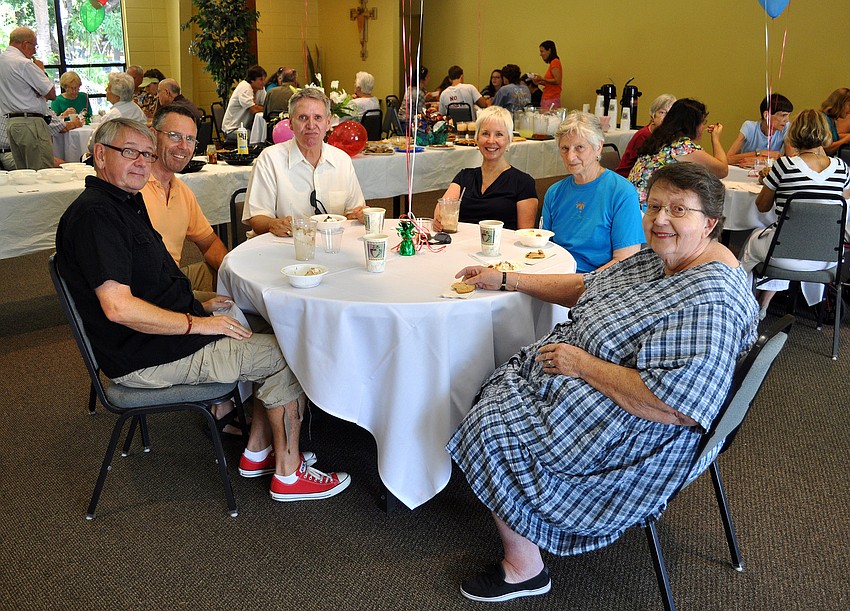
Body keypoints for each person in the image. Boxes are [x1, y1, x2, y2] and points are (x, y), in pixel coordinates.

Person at [448, 163, 758, 602]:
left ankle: (525, 569)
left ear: (709, 223)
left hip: (638, 430)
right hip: (586, 383)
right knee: (491, 384)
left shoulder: (711, 295)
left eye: (678, 210)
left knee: (491, 429)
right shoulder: (660, 257)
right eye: (653, 207)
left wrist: (582, 366)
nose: (660, 219)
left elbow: (677, 406)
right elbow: (588, 286)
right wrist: (505, 279)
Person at [55, 117, 350, 502]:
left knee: (265, 326)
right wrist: (198, 323)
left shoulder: (121, 202)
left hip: (151, 342)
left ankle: (258, 451)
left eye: (146, 154)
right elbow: (119, 307)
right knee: (289, 352)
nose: (142, 162)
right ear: (99, 155)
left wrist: (198, 302)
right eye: (130, 153)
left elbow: (151, 283)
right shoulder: (98, 216)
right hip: (146, 357)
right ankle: (290, 474)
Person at [740, 109, 850, 318]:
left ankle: (744, 309)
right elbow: (842, 202)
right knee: (783, 235)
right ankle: (764, 301)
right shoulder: (842, 168)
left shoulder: (784, 166)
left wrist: (771, 185)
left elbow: (762, 207)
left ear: (796, 133)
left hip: (784, 255)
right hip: (827, 257)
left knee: (757, 242)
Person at [243, 87, 367, 237]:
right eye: (303, 118)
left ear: (328, 123)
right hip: (283, 247)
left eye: (318, 118)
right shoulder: (270, 159)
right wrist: (273, 223)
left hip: (331, 246)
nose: (311, 125)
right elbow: (256, 218)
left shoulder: (342, 160)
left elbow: (353, 212)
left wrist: (358, 215)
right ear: (290, 123)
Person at [141, 105, 228, 299]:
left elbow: (210, 243)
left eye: (190, 139)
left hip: (174, 278)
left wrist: (232, 275)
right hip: (149, 294)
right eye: (174, 135)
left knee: (232, 282)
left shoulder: (181, 191)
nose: (183, 146)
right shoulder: (133, 187)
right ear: (153, 135)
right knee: (231, 305)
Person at [542, 111, 644, 273]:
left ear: (598, 147)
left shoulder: (622, 193)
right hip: (556, 276)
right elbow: (544, 248)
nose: (570, 157)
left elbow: (625, 260)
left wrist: (581, 283)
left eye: (579, 148)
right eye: (565, 148)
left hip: (600, 282)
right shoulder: (554, 193)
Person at [432, 106, 537, 232]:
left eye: (499, 134)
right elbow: (442, 208)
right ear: (476, 139)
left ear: (509, 140)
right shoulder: (464, 177)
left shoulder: (523, 183)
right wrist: (439, 219)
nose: (491, 140)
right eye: (485, 134)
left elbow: (525, 236)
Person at [629, 98, 728, 205]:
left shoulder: (658, 139)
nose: (703, 126)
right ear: (693, 125)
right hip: (647, 207)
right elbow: (722, 170)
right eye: (702, 122)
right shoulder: (681, 147)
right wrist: (716, 139)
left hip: (631, 202)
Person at [0, 27, 56, 170]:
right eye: (34, 46)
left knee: (24, 173)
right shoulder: (23, 63)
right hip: (30, 123)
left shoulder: (3, 60)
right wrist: (41, 71)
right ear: (25, 44)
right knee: (42, 170)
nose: (35, 51)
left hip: (12, 123)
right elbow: (51, 94)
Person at [615, 93, 676, 177]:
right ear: (652, 116)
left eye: (670, 114)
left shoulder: (668, 135)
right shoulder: (644, 135)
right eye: (662, 112)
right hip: (628, 178)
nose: (667, 117)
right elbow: (645, 166)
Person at [726, 94, 794, 165]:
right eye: (783, 115)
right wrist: (760, 154)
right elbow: (728, 159)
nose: (787, 120)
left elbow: (791, 160)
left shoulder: (786, 128)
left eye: (788, 116)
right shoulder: (749, 127)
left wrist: (761, 160)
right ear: (766, 115)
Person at [222, 65, 266, 144]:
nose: (264, 82)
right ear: (252, 80)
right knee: (258, 138)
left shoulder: (261, 89)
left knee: (264, 135)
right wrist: (264, 108)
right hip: (233, 129)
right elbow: (253, 109)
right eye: (261, 79)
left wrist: (263, 107)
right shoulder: (244, 87)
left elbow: (266, 104)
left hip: (246, 128)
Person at [532, 40, 562, 109]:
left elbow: (557, 80)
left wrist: (542, 78)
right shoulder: (553, 63)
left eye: (542, 51)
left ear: (549, 50)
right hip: (548, 98)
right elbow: (551, 83)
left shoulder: (555, 62)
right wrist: (539, 82)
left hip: (551, 98)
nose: (540, 54)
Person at [819, 88, 850, 155]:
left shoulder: (832, 120)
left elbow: (832, 137)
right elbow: (828, 148)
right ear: (840, 104)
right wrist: (846, 139)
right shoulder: (824, 120)